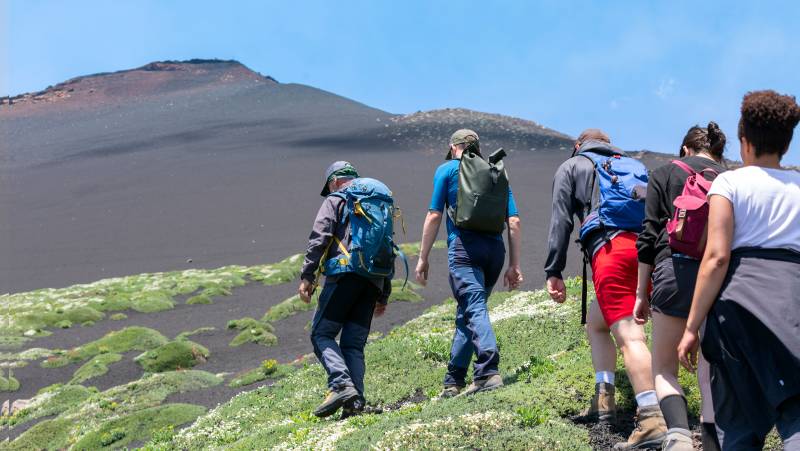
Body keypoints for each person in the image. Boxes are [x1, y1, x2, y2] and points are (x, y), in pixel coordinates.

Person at [678, 90, 800, 450]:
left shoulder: (728, 183)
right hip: (791, 301)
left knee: (738, 425)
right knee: (796, 415)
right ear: (787, 143)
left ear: (744, 141)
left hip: (737, 306)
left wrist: (691, 327)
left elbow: (716, 257)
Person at [545, 129, 666, 449]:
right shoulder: (630, 165)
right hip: (644, 252)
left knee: (630, 335)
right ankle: (604, 398)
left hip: (610, 250)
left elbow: (560, 219)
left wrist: (553, 269)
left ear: (577, 145)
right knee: (598, 322)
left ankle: (653, 418)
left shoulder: (573, 165)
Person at [634, 123, 727, 451]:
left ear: (686, 149)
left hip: (673, 271)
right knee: (710, 368)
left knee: (664, 367)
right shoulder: (731, 179)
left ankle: (679, 437)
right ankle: (713, 441)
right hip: (720, 279)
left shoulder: (662, 174)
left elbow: (647, 238)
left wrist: (640, 294)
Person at [415, 129, 523, 397]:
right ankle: (454, 381)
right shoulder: (495, 172)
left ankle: (487, 371)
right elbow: (514, 221)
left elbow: (433, 215)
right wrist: (514, 264)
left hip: (464, 247)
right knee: (469, 309)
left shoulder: (447, 170)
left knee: (472, 307)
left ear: (453, 148)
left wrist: (423, 257)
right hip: (495, 251)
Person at [298, 161, 392, 419]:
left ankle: (340, 385)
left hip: (344, 275)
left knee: (321, 333)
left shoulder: (336, 200)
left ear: (334, 182)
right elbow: (387, 246)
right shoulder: (377, 202)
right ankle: (355, 403)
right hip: (374, 280)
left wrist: (307, 275)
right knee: (353, 344)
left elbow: (320, 237)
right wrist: (384, 292)